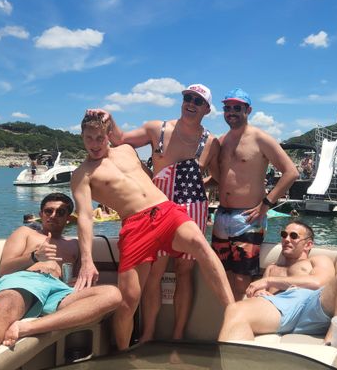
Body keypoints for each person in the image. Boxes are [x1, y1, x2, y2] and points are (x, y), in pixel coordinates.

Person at [71, 112, 234, 349]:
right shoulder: (82, 175)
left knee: (200, 245)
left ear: (108, 135)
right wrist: (87, 260)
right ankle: (123, 354)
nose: (95, 144)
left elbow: (148, 176)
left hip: (165, 209)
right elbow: (85, 217)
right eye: (89, 138)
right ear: (82, 138)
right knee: (128, 301)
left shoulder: (127, 150)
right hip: (135, 226)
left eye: (99, 137)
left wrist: (110, 116)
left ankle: (232, 309)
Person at [0, 193, 122, 370]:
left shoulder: (74, 245)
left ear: (69, 218)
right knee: (8, 305)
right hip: (25, 281)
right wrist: (34, 257)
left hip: (59, 290)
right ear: (41, 213)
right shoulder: (25, 233)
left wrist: (75, 281)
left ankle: (28, 327)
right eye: (48, 211)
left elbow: (74, 276)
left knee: (112, 294)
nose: (53, 215)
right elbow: (5, 269)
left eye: (60, 212)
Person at [218, 221, 337, 342]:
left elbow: (319, 282)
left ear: (308, 244)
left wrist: (269, 281)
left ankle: (334, 341)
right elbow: (257, 295)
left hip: (315, 303)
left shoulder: (317, 261)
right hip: (279, 308)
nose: (286, 239)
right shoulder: (273, 268)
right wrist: (259, 292)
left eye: (294, 236)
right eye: (283, 235)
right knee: (235, 310)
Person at [211, 88, 299, 300]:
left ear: (248, 110)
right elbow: (219, 178)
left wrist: (266, 204)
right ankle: (230, 321)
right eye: (227, 108)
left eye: (237, 108)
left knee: (242, 280)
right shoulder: (222, 141)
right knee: (223, 275)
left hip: (248, 218)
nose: (231, 111)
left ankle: (241, 326)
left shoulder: (261, 139)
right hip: (221, 217)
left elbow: (291, 172)